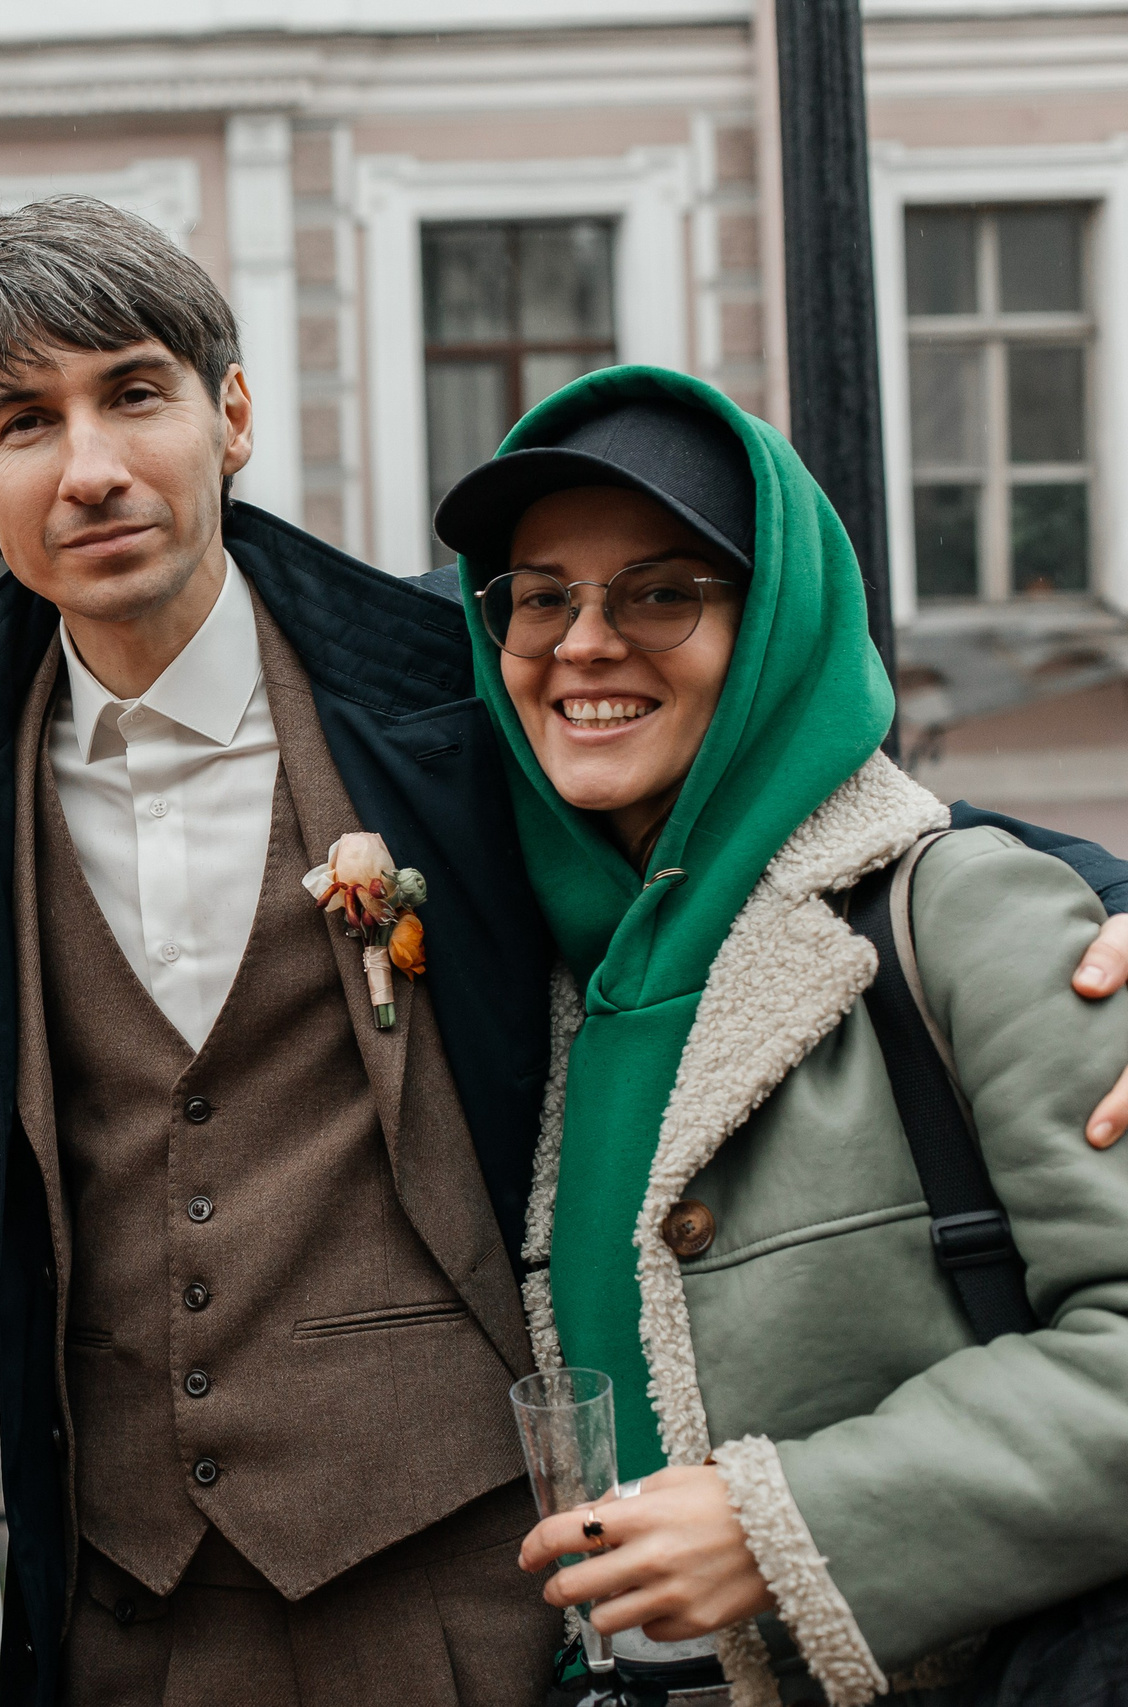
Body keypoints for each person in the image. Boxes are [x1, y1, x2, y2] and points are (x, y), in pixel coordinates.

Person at [0, 195, 1128, 1707]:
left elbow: (778, 816)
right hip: (132, 1619)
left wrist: (1102, 893)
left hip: (473, 1592)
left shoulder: (461, 683)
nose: (93, 465)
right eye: (23, 423)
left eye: (136, 392)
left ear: (234, 412)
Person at [435, 371, 1128, 1706]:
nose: (584, 643)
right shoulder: (538, 965)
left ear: (772, 629)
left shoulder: (955, 908)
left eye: (660, 591)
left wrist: (785, 1518)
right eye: (540, 594)